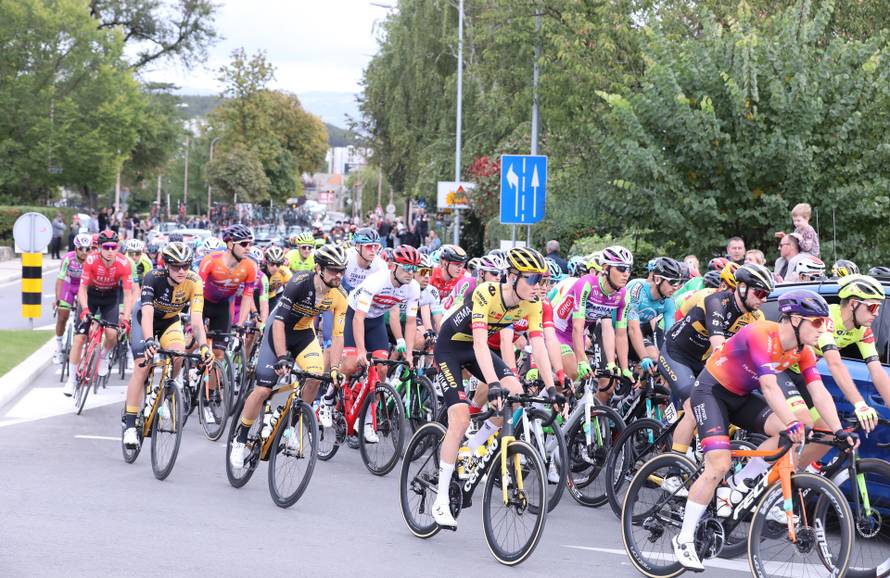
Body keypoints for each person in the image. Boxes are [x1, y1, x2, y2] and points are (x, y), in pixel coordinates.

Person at [672, 290, 852, 571]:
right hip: (711, 392)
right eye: (817, 322)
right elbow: (769, 387)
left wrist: (839, 431)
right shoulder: (761, 334)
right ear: (795, 319)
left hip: (741, 397)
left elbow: (819, 392)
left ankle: (739, 483)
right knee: (718, 465)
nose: (822, 330)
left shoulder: (803, 351)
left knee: (794, 433)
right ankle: (684, 538)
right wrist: (791, 421)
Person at [430, 247, 559, 528]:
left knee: (517, 395)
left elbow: (539, 345)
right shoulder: (486, 293)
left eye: (541, 280)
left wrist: (552, 388)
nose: (537, 285)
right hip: (451, 348)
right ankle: (440, 499)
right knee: (460, 418)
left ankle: (472, 447)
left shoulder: (532, 304)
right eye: (532, 279)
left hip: (475, 351)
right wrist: (493, 384)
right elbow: (479, 343)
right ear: (512, 277)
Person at [230, 244, 349, 469]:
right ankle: (240, 438)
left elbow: (338, 335)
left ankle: (290, 427)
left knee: (315, 377)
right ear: (319, 268)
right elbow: (279, 322)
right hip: (278, 332)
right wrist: (282, 356)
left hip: (303, 335)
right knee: (263, 389)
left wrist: (335, 368)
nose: (339, 275)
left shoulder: (340, 295)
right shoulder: (300, 282)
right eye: (334, 270)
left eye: (342, 270)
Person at [122, 242, 210, 448]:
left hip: (170, 321)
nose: (181, 271)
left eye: (185, 266)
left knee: (178, 355)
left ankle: (165, 391)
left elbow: (196, 320)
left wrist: (204, 346)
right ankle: (130, 425)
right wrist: (149, 340)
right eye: (176, 266)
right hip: (145, 319)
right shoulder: (153, 277)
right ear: (166, 265)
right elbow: (147, 313)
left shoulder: (195, 281)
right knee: (142, 367)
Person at [63, 230, 133, 395]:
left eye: (113, 247)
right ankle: (71, 380)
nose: (110, 251)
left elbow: (128, 294)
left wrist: (126, 317)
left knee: (112, 334)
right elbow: (82, 289)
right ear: (100, 247)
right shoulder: (91, 260)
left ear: (118, 248)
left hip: (110, 298)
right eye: (106, 247)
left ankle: (103, 355)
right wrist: (85, 310)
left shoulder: (124, 263)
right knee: (79, 338)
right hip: (91, 297)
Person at [54, 234, 92, 365]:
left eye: (88, 249)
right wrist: (57, 299)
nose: (84, 252)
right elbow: (60, 278)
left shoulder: (92, 260)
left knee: (85, 317)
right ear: (76, 248)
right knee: (62, 316)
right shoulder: (68, 258)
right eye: (81, 249)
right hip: (69, 286)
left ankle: (82, 347)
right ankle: (58, 347)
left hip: (84, 287)